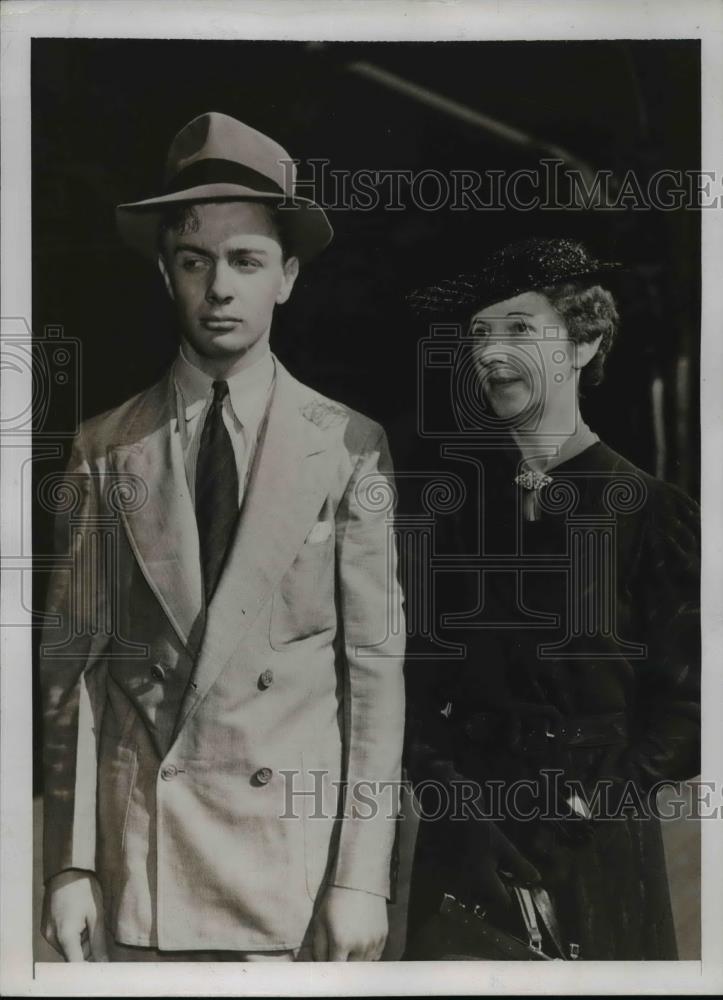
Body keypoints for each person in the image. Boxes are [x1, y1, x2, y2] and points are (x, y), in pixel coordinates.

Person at [40, 111, 405, 962]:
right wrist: (68, 864)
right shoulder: (104, 447)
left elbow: (375, 680)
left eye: (246, 261)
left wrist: (360, 877)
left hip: (294, 874)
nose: (220, 288)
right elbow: (71, 679)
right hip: (144, 874)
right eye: (195, 260)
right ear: (165, 272)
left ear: (288, 276)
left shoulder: (349, 446)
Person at [403, 237, 700, 960]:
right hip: (467, 847)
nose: (490, 354)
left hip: (593, 852)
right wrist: (460, 810)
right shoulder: (452, 513)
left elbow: (692, 707)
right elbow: (408, 686)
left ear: (584, 342)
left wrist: (594, 802)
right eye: (478, 335)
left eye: (518, 330)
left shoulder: (652, 511)